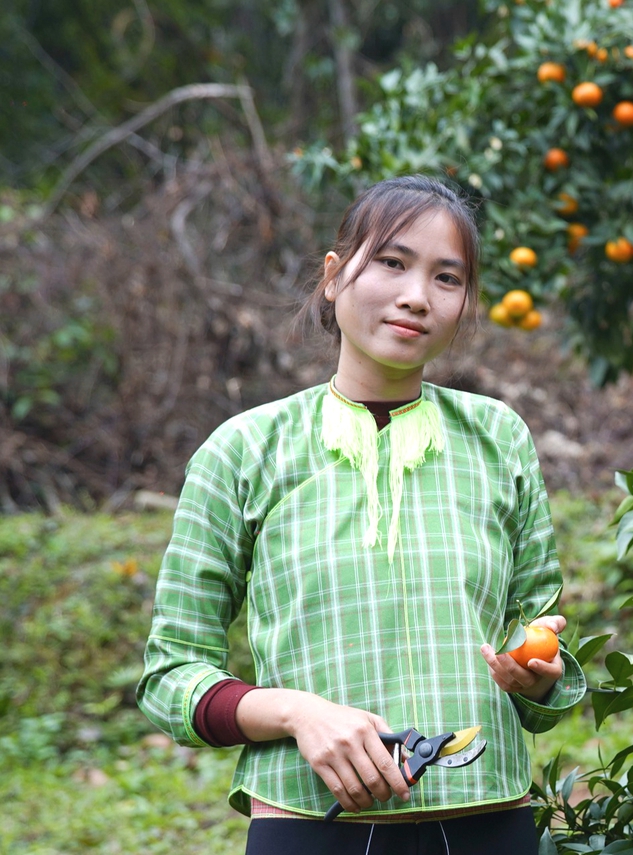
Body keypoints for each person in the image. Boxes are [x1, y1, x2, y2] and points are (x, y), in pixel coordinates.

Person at [137, 175, 586, 855]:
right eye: (392, 262)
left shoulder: (499, 439)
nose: (415, 295)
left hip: (488, 822)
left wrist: (537, 675)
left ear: (464, 303)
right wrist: (297, 711)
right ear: (333, 275)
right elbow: (171, 676)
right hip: (309, 826)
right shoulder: (245, 450)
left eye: (447, 277)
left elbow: (539, 648)